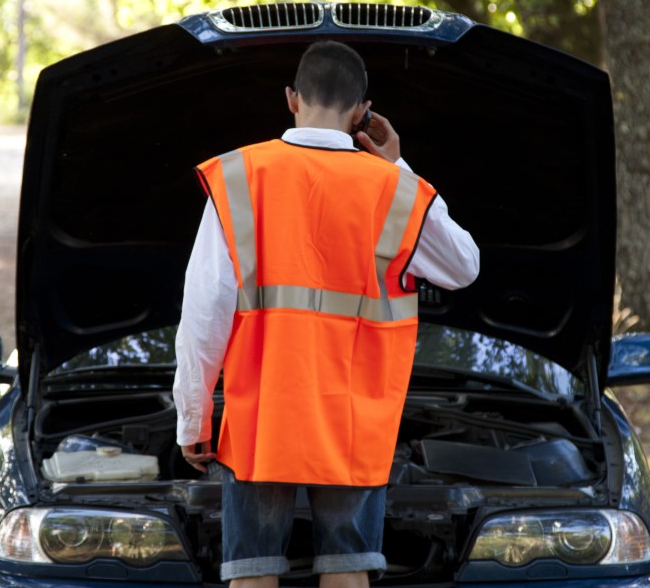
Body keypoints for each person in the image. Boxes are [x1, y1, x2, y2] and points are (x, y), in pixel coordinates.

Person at [173, 40, 479, 588]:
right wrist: (399, 166)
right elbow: (464, 266)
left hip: (263, 414)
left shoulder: (241, 175)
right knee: (347, 570)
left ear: (291, 98)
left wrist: (193, 417)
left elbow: (204, 311)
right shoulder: (393, 189)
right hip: (354, 419)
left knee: (252, 572)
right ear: (362, 111)